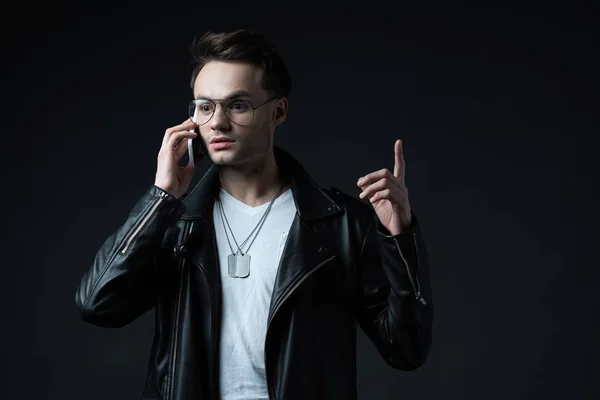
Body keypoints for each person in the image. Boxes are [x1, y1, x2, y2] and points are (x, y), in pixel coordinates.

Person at [75, 29, 433, 400]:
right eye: (205, 106)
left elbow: (405, 350)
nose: (217, 122)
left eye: (238, 105)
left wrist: (400, 237)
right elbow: (97, 305)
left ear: (277, 111)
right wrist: (160, 198)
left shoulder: (340, 224)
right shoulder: (173, 223)